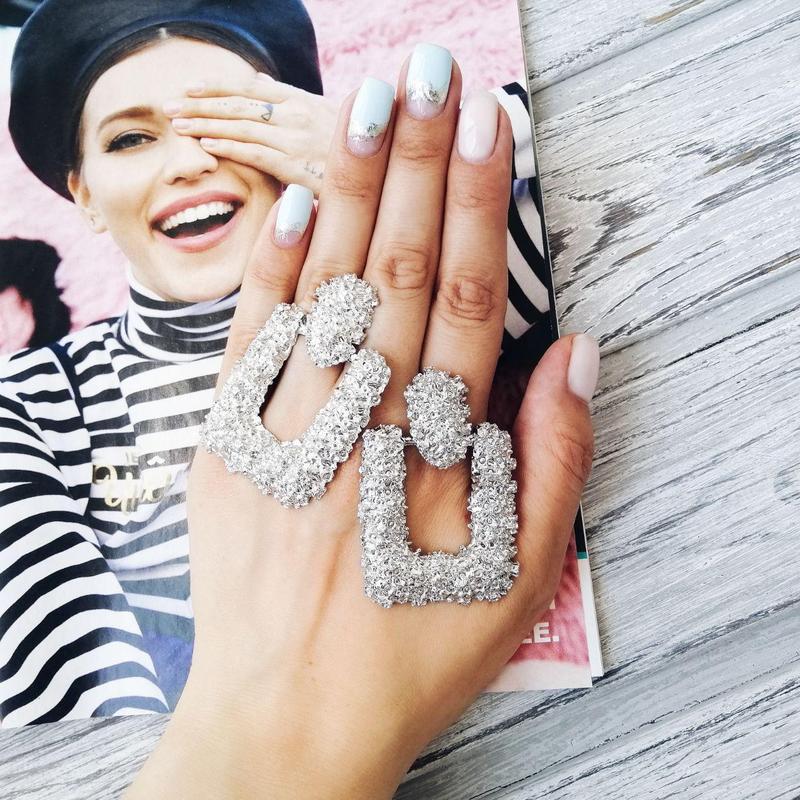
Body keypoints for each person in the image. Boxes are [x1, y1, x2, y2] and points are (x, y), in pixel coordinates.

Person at [0, 0, 593, 739]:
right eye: (131, 139)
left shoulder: (440, 279)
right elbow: (69, 730)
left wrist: (377, 148)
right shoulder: (28, 409)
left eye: (231, 119)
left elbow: (627, 155)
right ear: (83, 194)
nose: (189, 162)